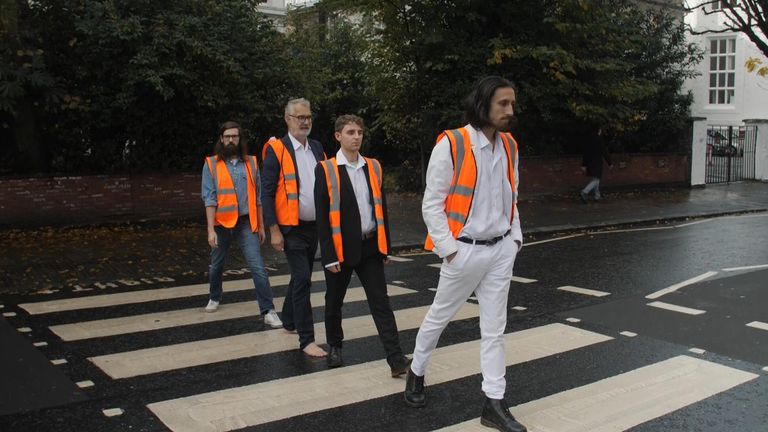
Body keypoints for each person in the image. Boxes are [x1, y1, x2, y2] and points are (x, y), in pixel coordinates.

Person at [404, 76, 527, 432]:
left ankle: (494, 402)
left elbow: (512, 198)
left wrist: (514, 239)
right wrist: (450, 251)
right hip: (465, 251)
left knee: (494, 329)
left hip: (501, 248)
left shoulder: (510, 146)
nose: (510, 110)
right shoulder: (453, 143)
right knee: (439, 316)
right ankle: (416, 371)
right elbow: (432, 204)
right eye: (503, 104)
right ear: (483, 104)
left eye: (512, 104)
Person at [314, 115, 410, 377]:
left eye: (359, 132)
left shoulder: (374, 167)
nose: (356, 137)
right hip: (340, 250)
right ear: (338, 136)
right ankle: (335, 346)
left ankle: (395, 358)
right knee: (334, 302)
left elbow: (381, 210)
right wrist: (329, 256)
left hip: (369, 248)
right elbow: (323, 217)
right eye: (350, 132)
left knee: (381, 303)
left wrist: (385, 246)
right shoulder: (325, 169)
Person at [261, 98, 327, 357]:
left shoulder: (318, 148)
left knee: (302, 277)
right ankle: (306, 339)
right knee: (302, 279)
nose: (305, 121)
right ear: (287, 119)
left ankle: (289, 320)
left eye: (308, 116)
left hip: (315, 226)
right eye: (299, 117)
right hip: (291, 228)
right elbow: (266, 193)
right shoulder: (276, 150)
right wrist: (273, 229)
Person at [201, 121, 282, 329]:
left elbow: (258, 198)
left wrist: (262, 226)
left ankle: (268, 310)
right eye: (227, 136)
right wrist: (210, 230)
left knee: (257, 267)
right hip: (221, 224)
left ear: (240, 139)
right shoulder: (211, 164)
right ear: (221, 139)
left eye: (234, 137)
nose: (230, 140)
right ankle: (215, 296)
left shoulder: (252, 163)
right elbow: (209, 199)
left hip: (247, 223)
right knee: (217, 265)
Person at [579, 127, 612, 203]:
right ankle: (584, 192)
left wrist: (584, 164)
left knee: (595, 179)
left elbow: (585, 153)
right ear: (599, 131)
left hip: (590, 163)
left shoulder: (588, 140)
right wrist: (609, 163)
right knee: (596, 180)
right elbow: (604, 152)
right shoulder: (599, 139)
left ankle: (597, 196)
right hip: (597, 163)